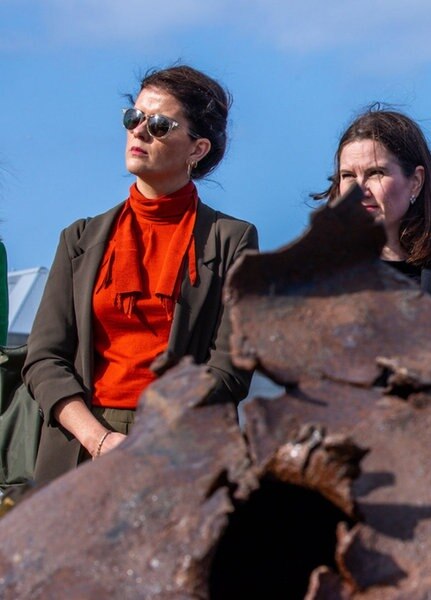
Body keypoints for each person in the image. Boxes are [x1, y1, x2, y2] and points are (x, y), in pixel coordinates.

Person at [24, 65, 258, 486]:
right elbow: (44, 358)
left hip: (179, 453)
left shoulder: (232, 240)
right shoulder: (79, 239)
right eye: (133, 118)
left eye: (160, 124)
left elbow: (229, 369)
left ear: (197, 148)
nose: (139, 132)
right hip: (78, 451)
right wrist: (97, 439)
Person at [312, 108, 431, 311]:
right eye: (348, 176)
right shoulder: (316, 276)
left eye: (376, 173)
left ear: (416, 181)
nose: (359, 190)